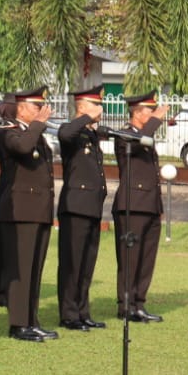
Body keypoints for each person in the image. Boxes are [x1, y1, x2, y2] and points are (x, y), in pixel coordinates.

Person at [0, 87, 56, 343]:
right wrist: (39, 125)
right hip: (19, 211)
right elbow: (22, 147)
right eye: (35, 106)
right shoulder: (8, 132)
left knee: (35, 268)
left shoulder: (35, 134)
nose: (40, 111)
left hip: (38, 210)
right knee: (20, 269)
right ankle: (18, 323)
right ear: (20, 108)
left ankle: (32, 319)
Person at [113, 91, 169, 323]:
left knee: (147, 258)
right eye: (149, 110)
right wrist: (156, 120)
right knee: (131, 258)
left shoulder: (145, 136)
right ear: (136, 113)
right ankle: (126, 305)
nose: (153, 114)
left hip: (149, 205)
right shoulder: (124, 135)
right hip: (132, 206)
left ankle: (139, 303)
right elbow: (138, 142)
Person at [57, 85, 109, 331]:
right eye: (94, 105)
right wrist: (87, 117)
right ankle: (69, 314)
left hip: (92, 206)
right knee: (72, 262)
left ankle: (82, 310)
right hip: (75, 207)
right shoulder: (72, 132)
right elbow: (65, 134)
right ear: (81, 107)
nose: (99, 109)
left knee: (87, 262)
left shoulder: (90, 134)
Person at [0, 97, 18, 311]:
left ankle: (4, 290)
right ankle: (3, 291)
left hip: (10, 195)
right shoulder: (5, 133)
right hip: (10, 195)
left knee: (9, 249)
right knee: (7, 248)